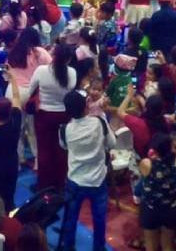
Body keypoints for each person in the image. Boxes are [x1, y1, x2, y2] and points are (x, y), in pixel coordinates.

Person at [59, 90, 115, 251]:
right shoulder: (99, 122)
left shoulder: (64, 129)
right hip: (97, 181)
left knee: (70, 218)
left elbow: (64, 146)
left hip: (74, 181)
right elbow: (112, 143)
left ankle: (68, 246)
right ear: (85, 106)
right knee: (99, 220)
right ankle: (98, 248)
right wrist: (101, 113)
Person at [26, 42, 76, 192]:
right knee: (61, 150)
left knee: (44, 151)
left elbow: (30, 90)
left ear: (54, 55)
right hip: (64, 116)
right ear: (68, 59)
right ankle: (59, 184)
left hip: (44, 115)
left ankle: (43, 185)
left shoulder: (41, 71)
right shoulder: (72, 73)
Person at [138, 134, 176, 251]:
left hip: (151, 208)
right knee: (168, 244)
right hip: (171, 209)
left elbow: (142, 177)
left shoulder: (146, 163)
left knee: (150, 244)